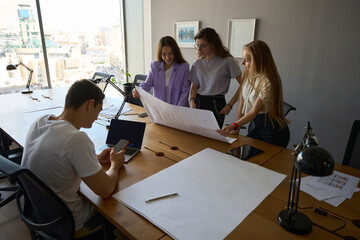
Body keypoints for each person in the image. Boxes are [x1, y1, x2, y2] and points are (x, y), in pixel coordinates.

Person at [21, 79, 125, 238]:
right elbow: (105, 190)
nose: (97, 117)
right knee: (118, 211)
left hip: (39, 214)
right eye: (99, 110)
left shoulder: (40, 122)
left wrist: (94, 158)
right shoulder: (76, 139)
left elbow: (57, 157)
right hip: (70, 222)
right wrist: (115, 165)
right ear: (90, 104)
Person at [217, 40, 290, 147]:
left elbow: (254, 111)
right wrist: (237, 126)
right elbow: (242, 101)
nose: (242, 63)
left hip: (273, 131)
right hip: (257, 126)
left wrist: (234, 125)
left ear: (259, 61)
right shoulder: (247, 74)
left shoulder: (269, 81)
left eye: (246, 60)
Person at [189, 27, 242, 128]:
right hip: (199, 102)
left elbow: (244, 84)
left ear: (213, 45)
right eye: (197, 46)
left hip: (216, 104)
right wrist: (192, 101)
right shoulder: (197, 63)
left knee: (213, 137)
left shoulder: (227, 61)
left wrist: (230, 104)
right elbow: (194, 87)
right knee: (196, 136)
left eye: (203, 46)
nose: (199, 49)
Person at [132, 36, 191, 107]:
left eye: (170, 53)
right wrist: (139, 90)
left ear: (175, 52)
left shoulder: (184, 67)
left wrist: (177, 111)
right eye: (164, 54)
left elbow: (184, 92)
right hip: (160, 109)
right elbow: (147, 85)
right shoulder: (154, 66)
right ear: (160, 54)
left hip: (179, 109)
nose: (167, 57)